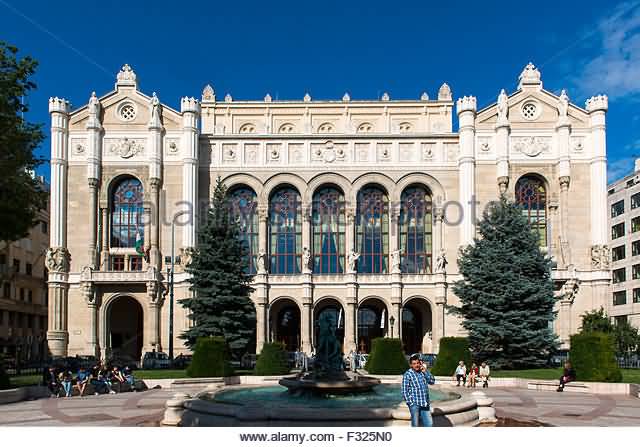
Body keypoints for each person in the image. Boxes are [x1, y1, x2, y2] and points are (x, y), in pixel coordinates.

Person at [402, 353, 436, 427]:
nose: (416, 365)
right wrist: (411, 403)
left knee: (429, 425)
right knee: (415, 426)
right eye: (414, 364)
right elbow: (405, 391)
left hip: (425, 403)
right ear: (411, 365)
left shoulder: (423, 372)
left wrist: (425, 371)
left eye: (417, 363)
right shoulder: (408, 374)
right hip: (415, 404)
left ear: (420, 363)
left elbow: (432, 381)